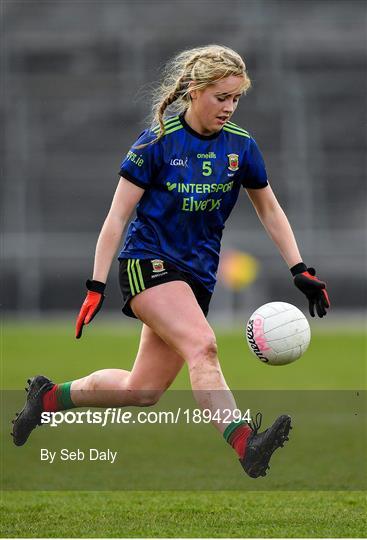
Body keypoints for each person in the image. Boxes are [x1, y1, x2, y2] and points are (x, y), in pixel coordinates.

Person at [12, 45, 329, 478]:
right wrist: (95, 285)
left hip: (195, 278)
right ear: (195, 91)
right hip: (147, 264)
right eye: (222, 97)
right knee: (204, 345)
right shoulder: (156, 143)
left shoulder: (241, 147)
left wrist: (300, 269)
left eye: (236, 99)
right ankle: (245, 444)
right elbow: (117, 217)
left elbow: (270, 209)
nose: (229, 108)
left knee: (141, 390)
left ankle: (47, 399)